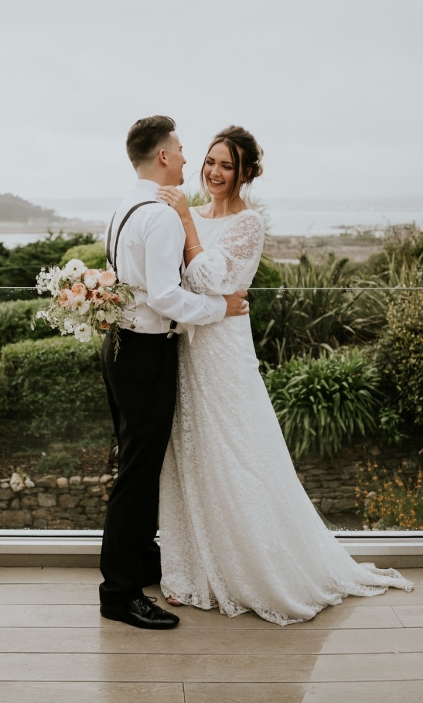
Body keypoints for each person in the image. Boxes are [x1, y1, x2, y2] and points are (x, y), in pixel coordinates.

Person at [156, 125, 413, 625]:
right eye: (210, 161)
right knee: (192, 450)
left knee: (237, 451)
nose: (213, 172)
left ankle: (257, 569)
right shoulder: (193, 214)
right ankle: (196, 570)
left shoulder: (248, 224)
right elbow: (182, 281)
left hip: (224, 353)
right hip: (189, 349)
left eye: (226, 166)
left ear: (245, 173)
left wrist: (186, 222)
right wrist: (190, 231)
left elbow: (215, 279)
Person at [99, 115, 250, 630]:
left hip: (118, 347)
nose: (188, 158)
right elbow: (165, 296)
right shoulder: (162, 216)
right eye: (182, 149)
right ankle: (119, 593)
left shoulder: (123, 207)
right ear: (163, 156)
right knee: (138, 474)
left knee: (137, 465)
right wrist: (219, 309)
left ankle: (141, 564)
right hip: (145, 353)